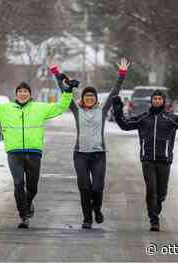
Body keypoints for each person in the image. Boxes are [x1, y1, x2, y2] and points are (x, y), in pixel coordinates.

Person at [0, 70, 74, 229]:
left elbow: (60, 107)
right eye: (20, 92)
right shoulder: (5, 109)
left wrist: (68, 91)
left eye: (26, 92)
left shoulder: (40, 108)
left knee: (32, 187)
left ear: (30, 94)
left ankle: (28, 203)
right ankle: (23, 215)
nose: (23, 94)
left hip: (34, 153)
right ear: (16, 94)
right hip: (14, 152)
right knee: (18, 183)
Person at [49, 58, 130, 229]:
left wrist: (122, 74)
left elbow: (114, 92)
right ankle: (87, 218)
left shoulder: (102, 110)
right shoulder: (76, 110)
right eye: (87, 96)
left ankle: (97, 209)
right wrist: (56, 72)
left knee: (98, 187)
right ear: (83, 98)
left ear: (95, 99)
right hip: (80, 155)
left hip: (99, 155)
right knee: (84, 187)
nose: (90, 98)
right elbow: (64, 91)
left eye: (92, 96)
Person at [112, 90, 178, 231]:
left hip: (164, 159)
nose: (157, 101)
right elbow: (124, 125)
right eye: (155, 99)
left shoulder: (171, 118)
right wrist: (117, 108)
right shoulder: (143, 118)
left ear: (163, 101)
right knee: (151, 190)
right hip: (147, 159)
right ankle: (154, 220)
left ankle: (156, 207)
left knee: (161, 193)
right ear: (151, 101)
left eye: (159, 99)